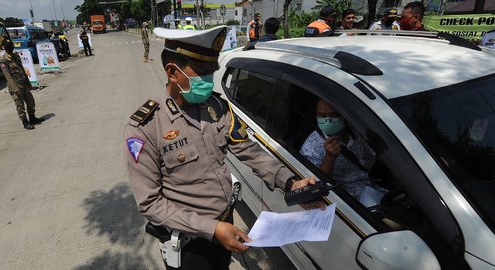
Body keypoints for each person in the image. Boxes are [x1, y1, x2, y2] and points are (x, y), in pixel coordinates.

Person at [124, 26, 324, 270]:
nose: (209, 79)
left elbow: (248, 151)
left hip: (225, 224)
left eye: (212, 71)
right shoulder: (146, 127)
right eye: (202, 72)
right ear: (172, 72)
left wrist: (291, 183)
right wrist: (212, 228)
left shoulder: (217, 107)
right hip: (191, 241)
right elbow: (150, 203)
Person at [300, 99, 376, 199]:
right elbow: (316, 185)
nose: (328, 120)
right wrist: (329, 158)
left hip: (372, 187)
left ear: (343, 115)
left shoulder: (357, 131)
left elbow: (373, 156)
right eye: (322, 115)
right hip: (350, 200)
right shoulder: (311, 146)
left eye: (333, 115)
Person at [0, 38, 43, 130]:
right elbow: (8, 76)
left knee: (31, 101)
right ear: (4, 47)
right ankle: (25, 122)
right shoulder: (3, 60)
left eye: (11, 45)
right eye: (8, 46)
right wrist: (15, 89)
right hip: (16, 85)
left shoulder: (16, 56)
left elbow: (22, 70)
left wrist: (28, 83)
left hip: (23, 83)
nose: (10, 47)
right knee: (20, 105)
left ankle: (32, 118)